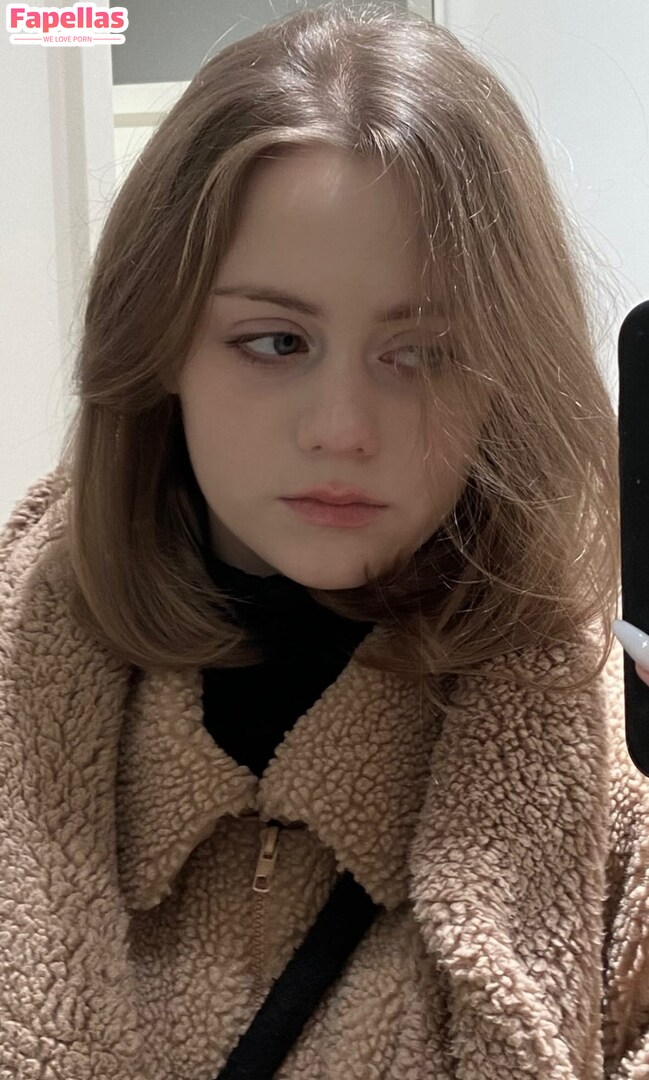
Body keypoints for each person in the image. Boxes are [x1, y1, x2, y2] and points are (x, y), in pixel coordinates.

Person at [0, 2, 644, 1077]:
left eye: (422, 353)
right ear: (158, 344)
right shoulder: (22, 691)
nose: (342, 429)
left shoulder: (615, 787)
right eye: (274, 341)